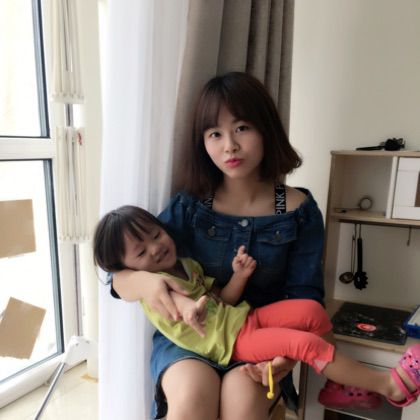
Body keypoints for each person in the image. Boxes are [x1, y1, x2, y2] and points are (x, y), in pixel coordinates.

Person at [107, 71, 366, 420]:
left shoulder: (299, 211)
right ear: (203, 142)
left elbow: (305, 296)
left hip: (262, 335)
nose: (229, 145)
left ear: (266, 129)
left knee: (242, 405)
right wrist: (146, 282)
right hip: (190, 338)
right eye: (215, 133)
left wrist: (286, 357)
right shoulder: (191, 205)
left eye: (242, 128)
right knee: (191, 398)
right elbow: (119, 278)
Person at [94, 205, 420, 412]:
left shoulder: (187, 265)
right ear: (126, 266)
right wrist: (188, 309)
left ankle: (338, 385)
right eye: (141, 252)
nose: (155, 248)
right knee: (306, 344)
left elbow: (223, 299)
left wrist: (239, 276)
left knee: (311, 311)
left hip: (243, 318)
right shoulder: (157, 286)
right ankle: (389, 385)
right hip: (233, 342)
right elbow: (175, 301)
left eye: (156, 235)